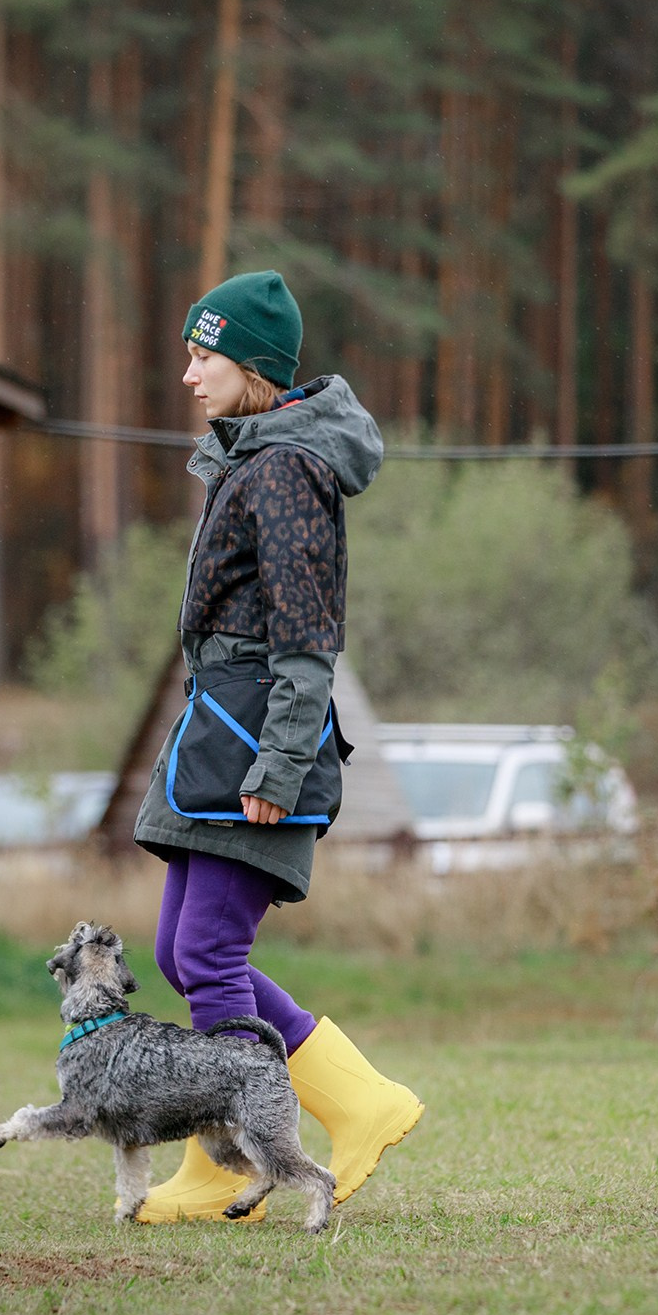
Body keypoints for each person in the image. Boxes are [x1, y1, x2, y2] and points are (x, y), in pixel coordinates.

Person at [130, 269, 423, 1222]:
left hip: (259, 750)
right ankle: (359, 1099)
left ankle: (228, 1160)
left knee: (209, 952)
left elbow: (308, 639)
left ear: (251, 366)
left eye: (202, 355)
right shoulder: (252, 459)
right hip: (220, 734)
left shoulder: (289, 471)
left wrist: (281, 765)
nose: (187, 374)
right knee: (183, 954)